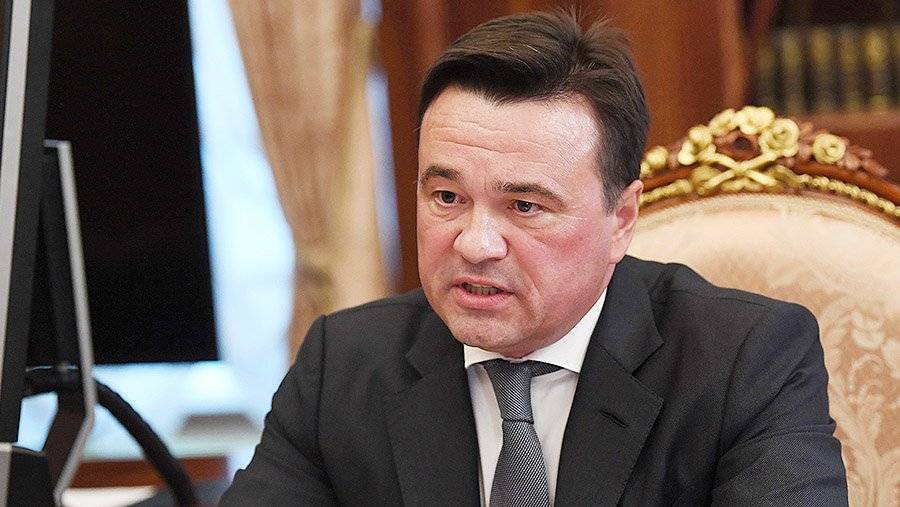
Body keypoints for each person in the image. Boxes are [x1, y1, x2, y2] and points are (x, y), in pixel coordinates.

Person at [221, 10, 847, 506]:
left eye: (524, 206)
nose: (474, 244)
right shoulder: (343, 364)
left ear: (621, 218)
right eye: (446, 197)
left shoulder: (744, 361)